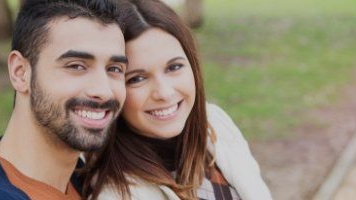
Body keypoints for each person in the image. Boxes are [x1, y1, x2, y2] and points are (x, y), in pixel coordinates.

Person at [81, 0, 272, 199]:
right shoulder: (117, 194)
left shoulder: (216, 123)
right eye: (136, 78)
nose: (164, 93)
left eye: (174, 67)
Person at [0, 0, 127, 199]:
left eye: (114, 69)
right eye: (76, 66)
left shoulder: (83, 179)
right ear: (20, 73)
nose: (103, 91)